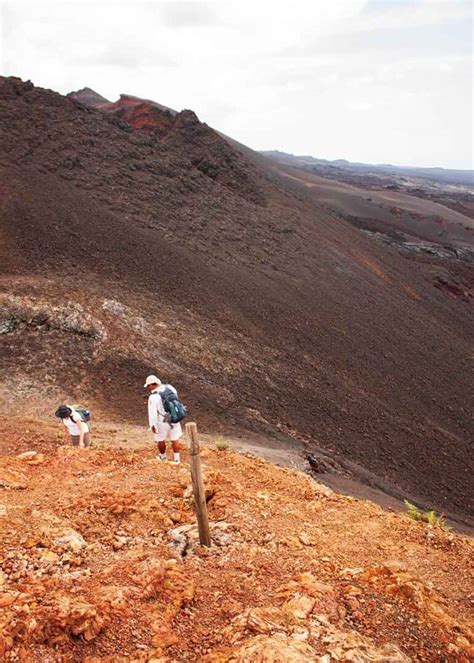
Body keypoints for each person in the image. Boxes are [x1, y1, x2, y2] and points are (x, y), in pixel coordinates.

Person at [144, 375, 181, 463]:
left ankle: (163, 457)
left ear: (151, 385)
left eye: (148, 386)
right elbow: (176, 399)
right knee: (175, 438)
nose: (148, 388)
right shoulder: (170, 388)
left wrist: (153, 425)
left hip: (162, 421)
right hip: (174, 417)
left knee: (160, 439)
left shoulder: (153, 397)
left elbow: (152, 413)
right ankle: (176, 459)